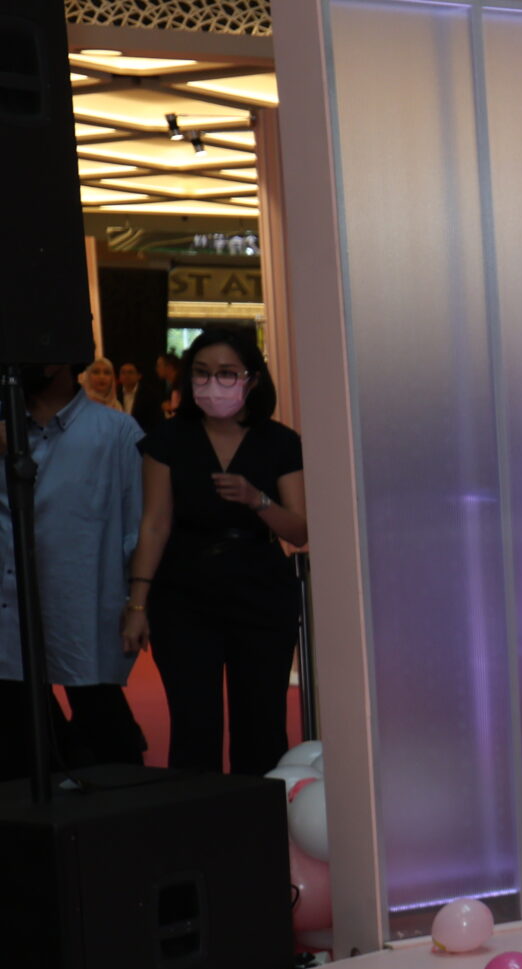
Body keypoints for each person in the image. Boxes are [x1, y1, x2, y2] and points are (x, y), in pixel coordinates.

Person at [128, 328, 307, 776]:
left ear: (252, 379)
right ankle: (198, 814)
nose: (213, 384)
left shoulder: (280, 441)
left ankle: (258, 812)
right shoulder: (169, 439)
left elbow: (300, 529)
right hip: (183, 591)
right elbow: (154, 523)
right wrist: (137, 603)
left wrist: (256, 500)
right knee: (193, 723)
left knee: (261, 723)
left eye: (227, 373)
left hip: (261, 589)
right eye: (202, 374)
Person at [0, 353, 148, 778]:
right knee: (17, 735)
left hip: (84, 597)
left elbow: (138, 523)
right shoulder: (5, 429)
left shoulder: (116, 432)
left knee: (103, 723)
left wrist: (137, 601)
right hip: (9, 603)